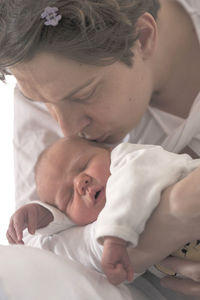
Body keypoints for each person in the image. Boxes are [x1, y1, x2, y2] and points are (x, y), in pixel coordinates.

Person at [1, 0, 200, 297]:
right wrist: (176, 210)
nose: (66, 130)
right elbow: (43, 252)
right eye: (44, 103)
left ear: (143, 37)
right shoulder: (45, 79)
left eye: (85, 93)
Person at [7, 136, 200, 286]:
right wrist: (47, 216)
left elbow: (135, 183)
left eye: (83, 165)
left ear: (109, 150)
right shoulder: (96, 225)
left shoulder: (130, 159)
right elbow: (71, 237)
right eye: (68, 197)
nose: (80, 183)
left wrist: (115, 237)